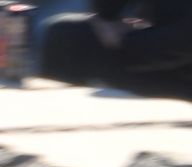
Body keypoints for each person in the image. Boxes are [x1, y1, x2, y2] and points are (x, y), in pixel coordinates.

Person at [38, 0, 192, 96]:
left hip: (175, 59)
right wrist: (109, 24)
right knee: (65, 34)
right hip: (152, 49)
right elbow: (107, 11)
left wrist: (126, 41)